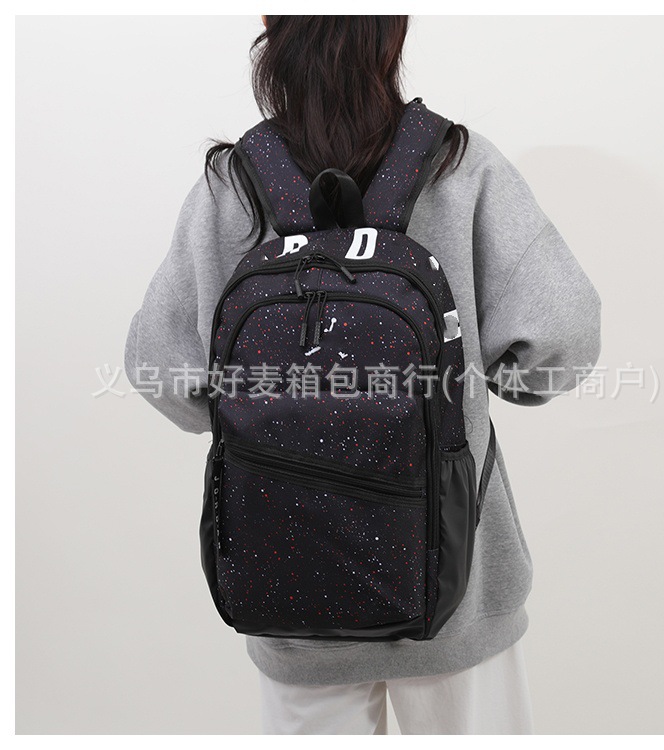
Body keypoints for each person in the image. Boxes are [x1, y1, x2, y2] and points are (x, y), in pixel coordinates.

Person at [124, 15, 601, 735]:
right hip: (458, 586)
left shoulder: (234, 185)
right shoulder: (459, 165)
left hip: (289, 597)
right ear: (392, 33)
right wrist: (482, 384)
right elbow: (563, 336)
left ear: (272, 29)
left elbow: (160, 370)